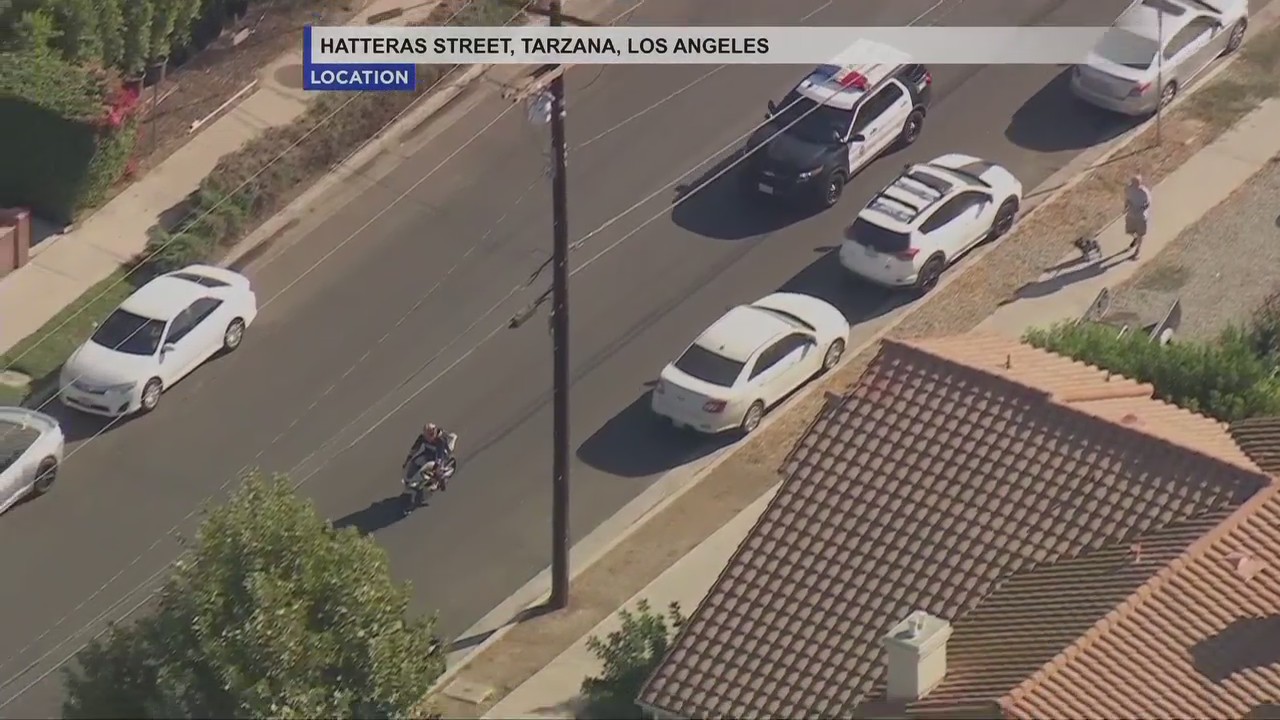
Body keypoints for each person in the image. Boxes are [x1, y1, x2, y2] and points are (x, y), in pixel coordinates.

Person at [404, 423, 458, 502]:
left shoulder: (440, 440)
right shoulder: (422, 438)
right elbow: (414, 448)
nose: (430, 437)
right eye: (428, 435)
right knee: (415, 461)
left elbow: (439, 456)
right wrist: (408, 459)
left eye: (431, 434)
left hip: (441, 456)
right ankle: (411, 479)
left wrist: (436, 467)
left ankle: (441, 482)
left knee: (434, 468)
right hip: (428, 454)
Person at [1124, 174, 1151, 260]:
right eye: (1131, 182)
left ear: (1139, 184)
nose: (1131, 184)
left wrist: (1141, 209)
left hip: (1141, 216)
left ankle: (1137, 251)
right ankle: (1135, 239)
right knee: (1129, 231)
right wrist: (1126, 207)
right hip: (1131, 214)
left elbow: (1147, 204)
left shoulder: (1144, 192)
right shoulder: (1129, 189)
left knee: (1140, 234)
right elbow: (1127, 199)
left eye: (1134, 183)